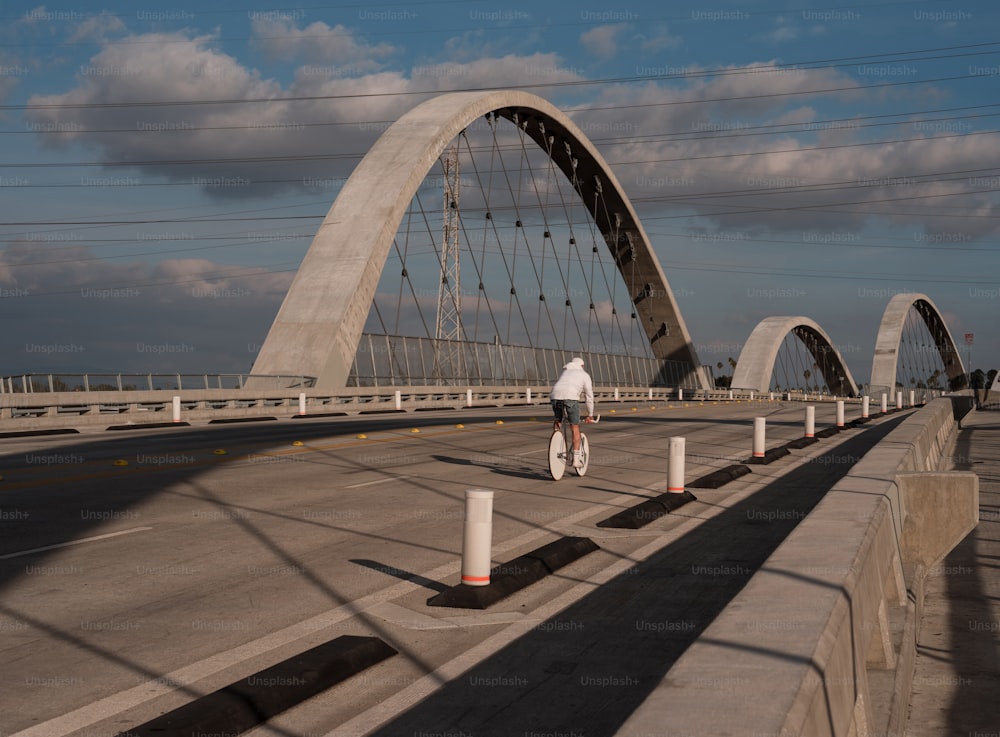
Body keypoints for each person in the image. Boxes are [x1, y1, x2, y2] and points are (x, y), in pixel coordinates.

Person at [550, 356, 595, 468]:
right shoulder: (584, 375)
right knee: (575, 427)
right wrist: (590, 414)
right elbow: (589, 396)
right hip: (571, 398)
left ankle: (556, 437)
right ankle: (576, 460)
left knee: (558, 420)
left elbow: (559, 387)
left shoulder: (565, 372)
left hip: (555, 397)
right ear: (582, 366)